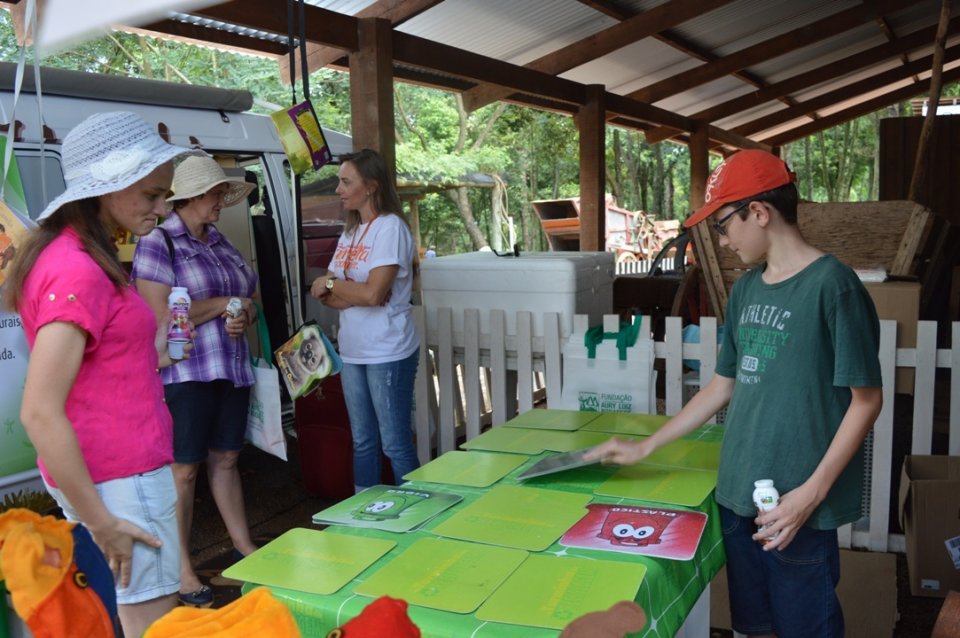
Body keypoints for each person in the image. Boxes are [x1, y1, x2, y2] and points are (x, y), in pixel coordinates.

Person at [585, 149, 883, 638]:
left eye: (723, 225)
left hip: (794, 507)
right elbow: (723, 384)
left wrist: (810, 494)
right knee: (755, 626)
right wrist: (647, 445)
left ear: (759, 212)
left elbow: (867, 400)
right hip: (738, 495)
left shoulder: (834, 287)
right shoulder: (746, 290)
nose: (721, 241)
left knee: (806, 626)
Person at [4, 111, 193, 638]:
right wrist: (104, 522)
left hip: (114, 468)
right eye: (153, 195)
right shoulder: (78, 268)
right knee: (154, 624)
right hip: (122, 475)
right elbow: (39, 411)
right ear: (109, 187)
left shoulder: (70, 252)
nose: (163, 209)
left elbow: (96, 364)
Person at [132, 154, 259, 608]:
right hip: (184, 373)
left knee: (226, 459)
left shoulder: (222, 242)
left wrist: (243, 312)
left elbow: (249, 300)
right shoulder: (158, 243)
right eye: (216, 193)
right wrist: (227, 303)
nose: (222, 200)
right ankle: (182, 569)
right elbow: (157, 317)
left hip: (229, 366)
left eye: (224, 192)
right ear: (192, 196)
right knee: (183, 470)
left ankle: (245, 547)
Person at [309, 148, 420, 492]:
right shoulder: (350, 232)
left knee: (394, 444)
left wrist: (339, 287)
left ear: (370, 186)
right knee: (362, 441)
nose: (338, 189)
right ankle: (363, 518)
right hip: (353, 350)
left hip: (388, 351)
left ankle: (419, 515)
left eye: (346, 182)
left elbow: (371, 295)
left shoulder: (390, 228)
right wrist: (342, 288)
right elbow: (325, 294)